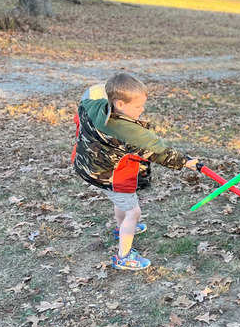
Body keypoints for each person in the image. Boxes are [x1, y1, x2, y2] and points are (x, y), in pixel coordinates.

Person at [73, 73, 199, 271]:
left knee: (120, 202)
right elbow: (158, 150)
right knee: (133, 211)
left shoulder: (93, 106)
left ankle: (120, 228)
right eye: (138, 106)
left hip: (88, 166)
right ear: (120, 104)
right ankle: (124, 257)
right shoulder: (124, 129)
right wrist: (185, 162)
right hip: (110, 176)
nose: (142, 110)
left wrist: (110, 88)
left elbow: (90, 92)